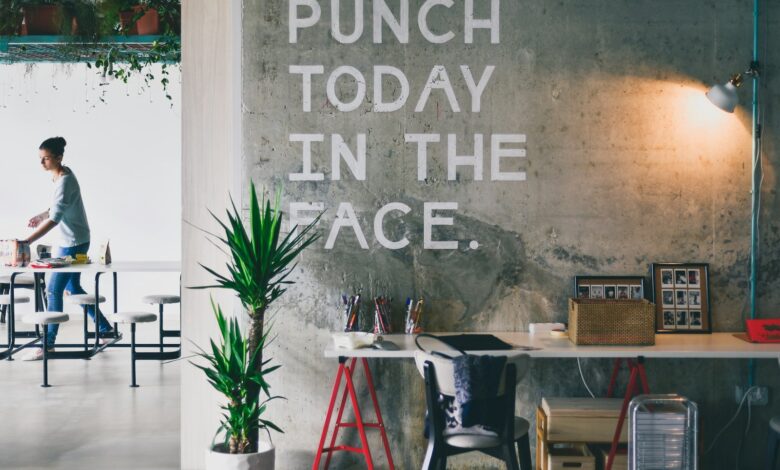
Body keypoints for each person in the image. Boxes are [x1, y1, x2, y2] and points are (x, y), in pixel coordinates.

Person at [22, 137, 113, 360]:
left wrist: (27, 242)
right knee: (73, 287)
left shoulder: (64, 181)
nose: (42, 163)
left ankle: (48, 344)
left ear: (59, 158)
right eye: (40, 159)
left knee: (53, 290)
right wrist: (41, 215)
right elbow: (57, 207)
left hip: (73, 243)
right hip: (71, 240)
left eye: (46, 159)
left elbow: (55, 218)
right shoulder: (60, 176)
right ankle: (106, 330)